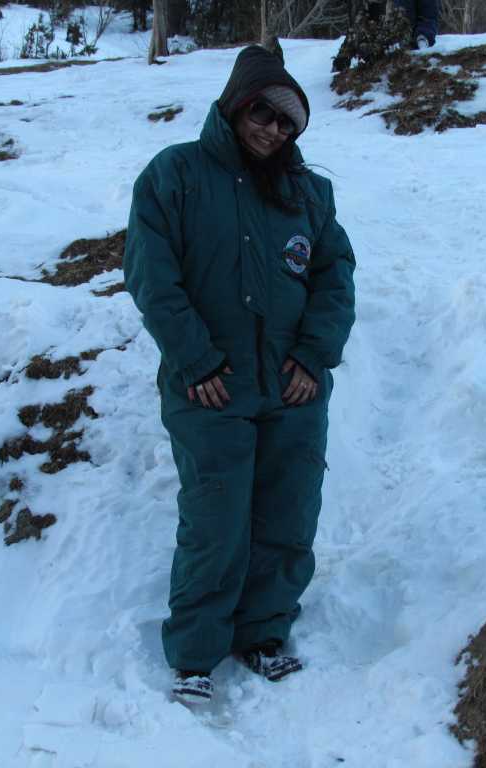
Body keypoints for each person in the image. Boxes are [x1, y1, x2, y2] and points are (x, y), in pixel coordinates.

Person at [124, 45, 356, 705]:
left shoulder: (307, 192)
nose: (273, 130)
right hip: (211, 386)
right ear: (236, 104)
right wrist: (195, 361)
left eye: (288, 124)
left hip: (291, 387)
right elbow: (152, 276)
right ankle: (196, 652)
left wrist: (314, 355)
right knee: (216, 517)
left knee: (288, 513)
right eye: (264, 113)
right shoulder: (175, 175)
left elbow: (335, 277)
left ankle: (263, 634)